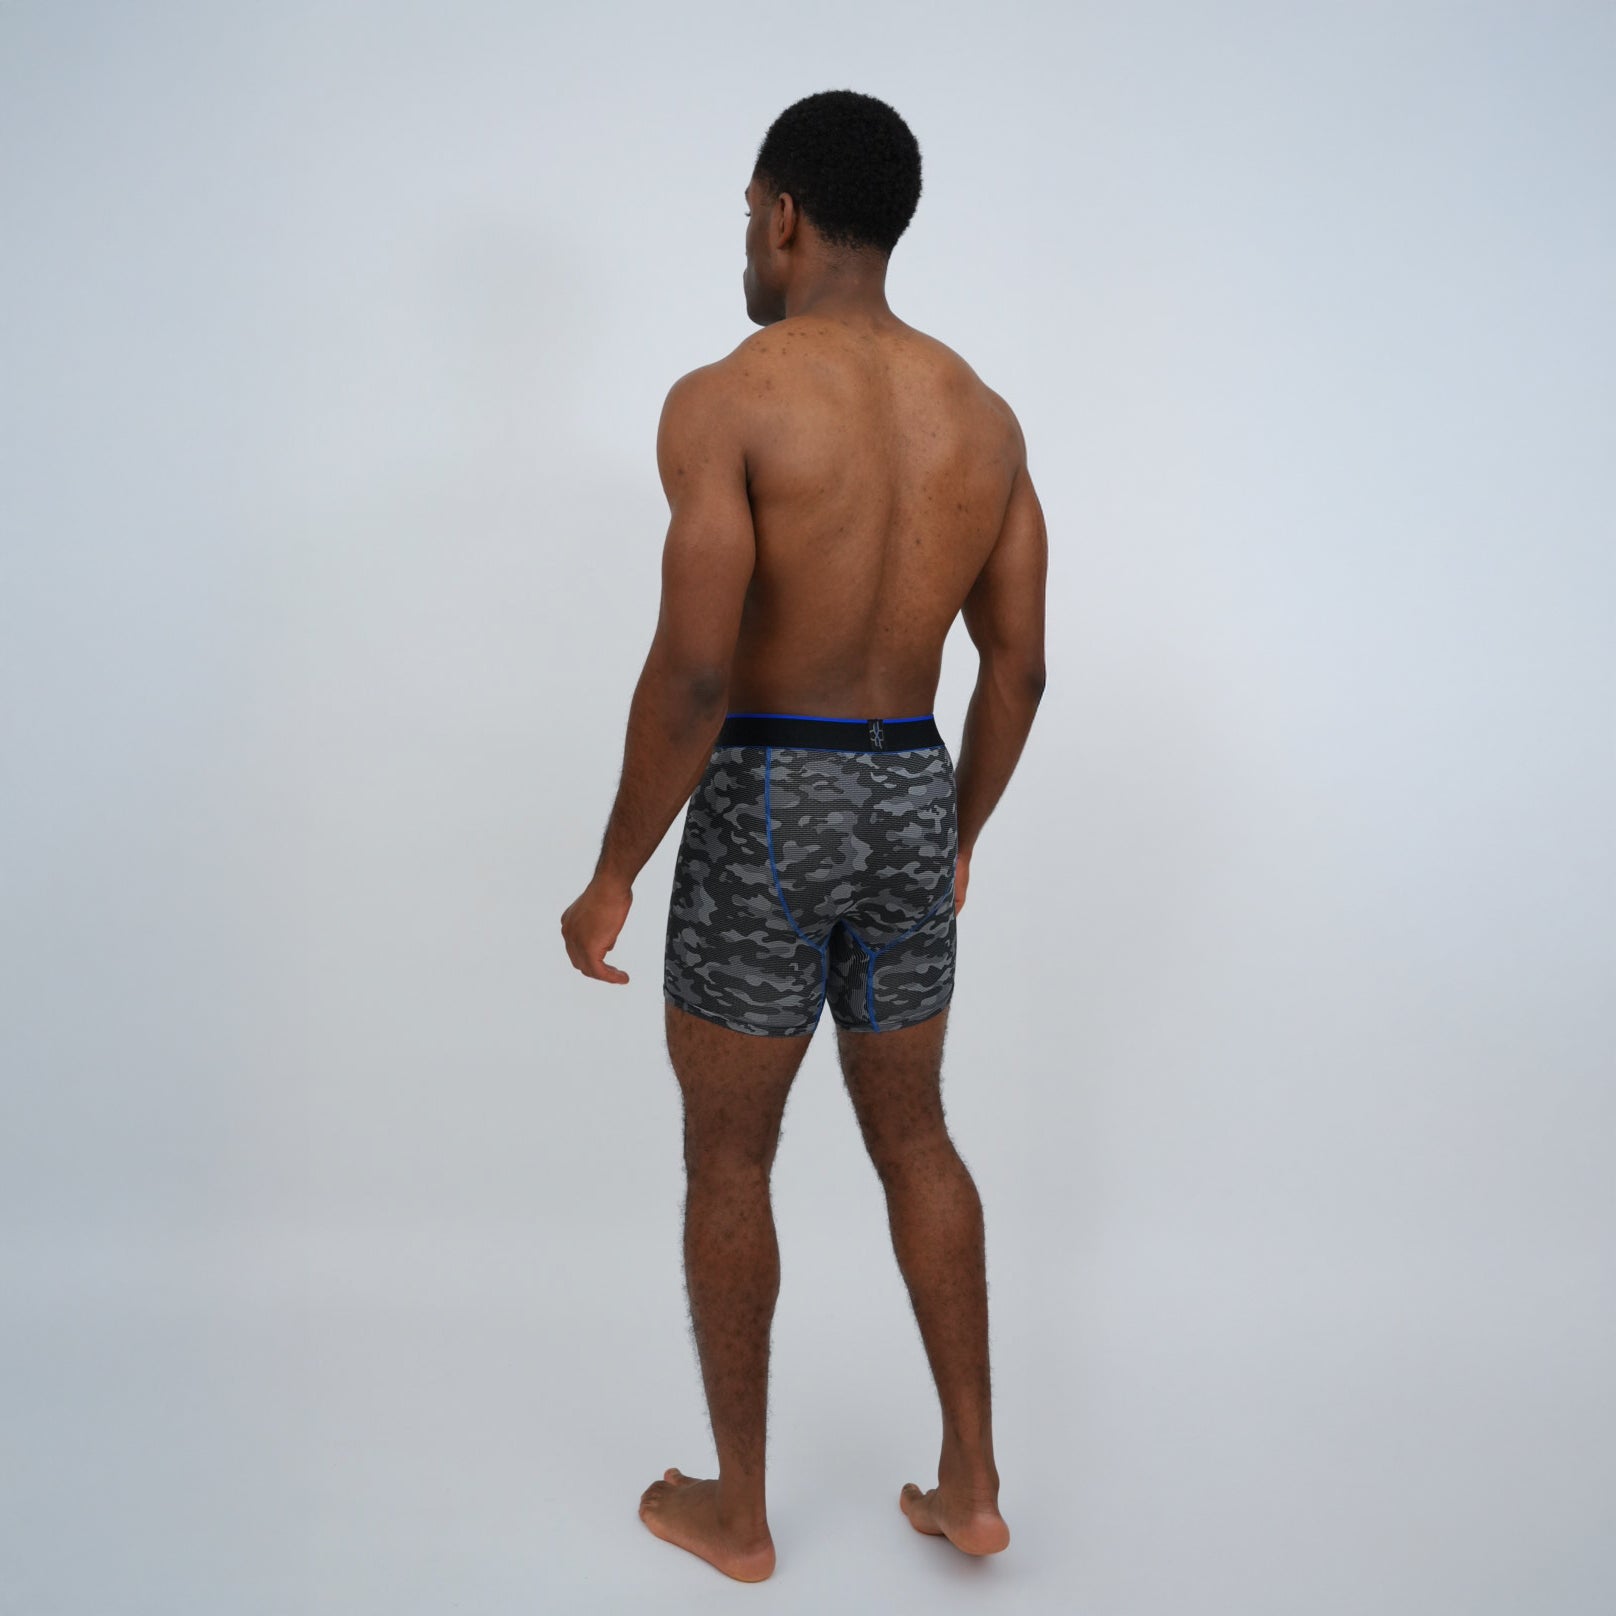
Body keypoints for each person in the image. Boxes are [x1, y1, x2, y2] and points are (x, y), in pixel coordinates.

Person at [560, 88, 1047, 1583]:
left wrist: (615, 869)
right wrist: (958, 830)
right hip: (908, 781)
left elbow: (695, 675)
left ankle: (743, 1514)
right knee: (918, 1134)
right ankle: (972, 1481)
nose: (745, 246)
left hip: (770, 791)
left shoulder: (728, 400)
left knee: (730, 1157)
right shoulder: (985, 417)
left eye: (745, 218)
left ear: (783, 215)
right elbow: (1019, 668)